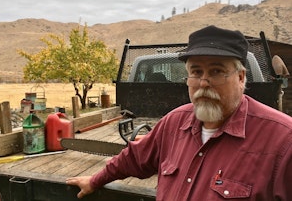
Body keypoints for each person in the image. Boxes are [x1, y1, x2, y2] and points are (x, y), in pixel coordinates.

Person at [66, 25, 292, 200]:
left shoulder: (283, 141)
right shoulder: (174, 123)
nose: (203, 82)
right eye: (196, 71)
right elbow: (133, 158)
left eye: (216, 71)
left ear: (241, 78)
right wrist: (95, 180)